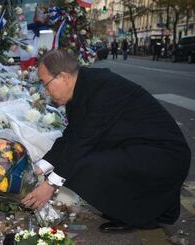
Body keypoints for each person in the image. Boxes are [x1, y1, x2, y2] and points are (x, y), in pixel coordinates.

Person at [22, 49, 190, 232]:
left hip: (164, 155)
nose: (46, 92)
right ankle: (126, 209)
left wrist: (50, 185)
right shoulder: (81, 88)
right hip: (139, 148)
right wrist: (40, 167)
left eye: (46, 85)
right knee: (80, 161)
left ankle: (137, 217)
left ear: (63, 77)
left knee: (85, 165)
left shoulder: (103, 89)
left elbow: (83, 142)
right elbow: (72, 136)